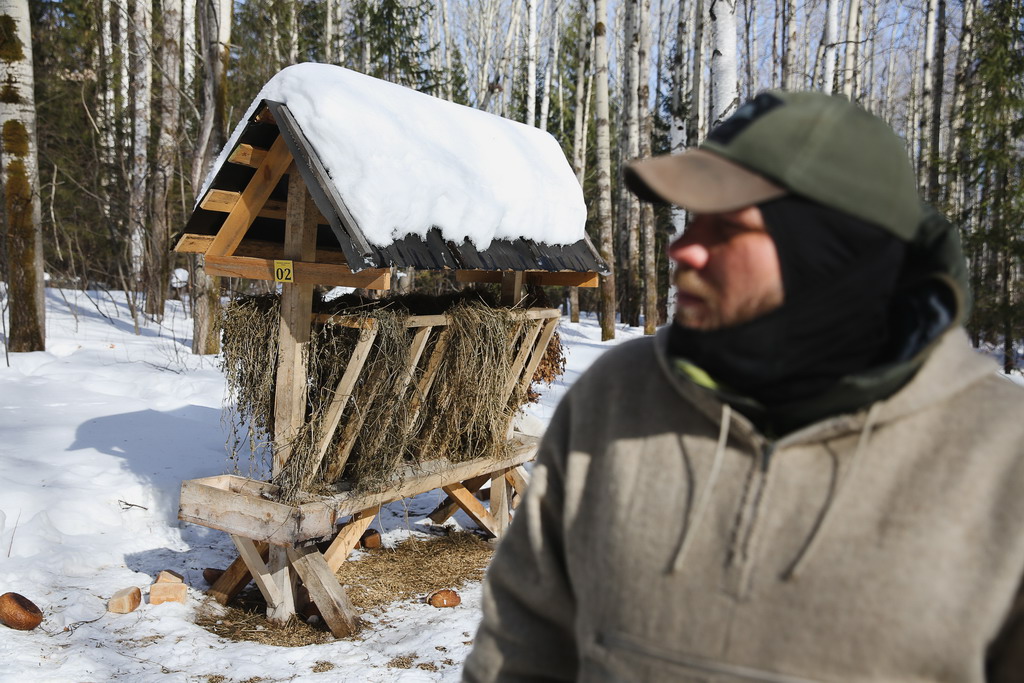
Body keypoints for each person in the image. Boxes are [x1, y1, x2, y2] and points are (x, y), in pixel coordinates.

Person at [462, 91, 1024, 682]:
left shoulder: (1001, 455)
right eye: (691, 221)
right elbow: (522, 643)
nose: (684, 249)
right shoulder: (615, 397)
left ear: (835, 256)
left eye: (726, 228)